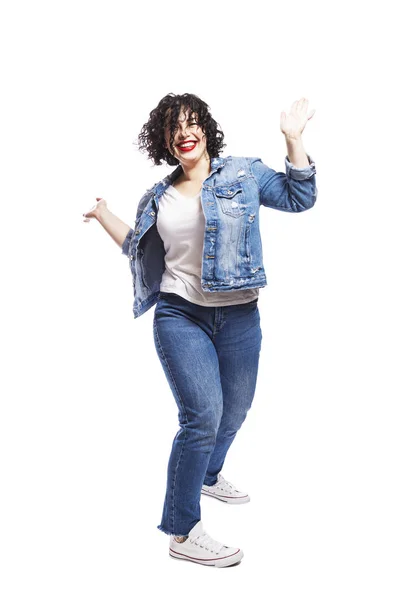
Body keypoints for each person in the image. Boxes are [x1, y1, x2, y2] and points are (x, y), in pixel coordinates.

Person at [82, 93, 317, 568]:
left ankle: (208, 475)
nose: (185, 133)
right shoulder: (156, 198)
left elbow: (300, 197)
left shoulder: (243, 174)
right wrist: (104, 212)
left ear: (206, 130)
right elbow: (137, 248)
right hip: (179, 316)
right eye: (174, 128)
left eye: (192, 123)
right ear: (166, 141)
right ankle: (183, 530)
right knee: (202, 417)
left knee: (235, 412)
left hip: (239, 316)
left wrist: (293, 141)